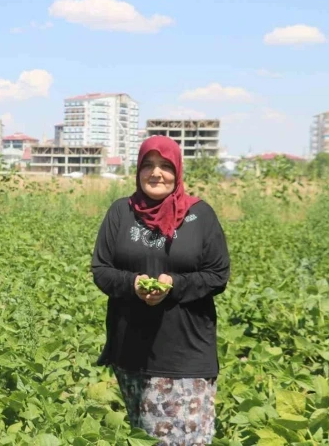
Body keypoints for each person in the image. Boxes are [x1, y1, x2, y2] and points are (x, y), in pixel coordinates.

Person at [91, 135, 230, 445]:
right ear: (138, 170)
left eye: (166, 166)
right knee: (145, 436)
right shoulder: (121, 213)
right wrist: (133, 284)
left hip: (186, 352)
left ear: (177, 171)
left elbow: (218, 274)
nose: (156, 173)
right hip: (132, 352)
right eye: (148, 165)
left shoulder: (200, 215)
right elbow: (101, 269)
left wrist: (175, 284)